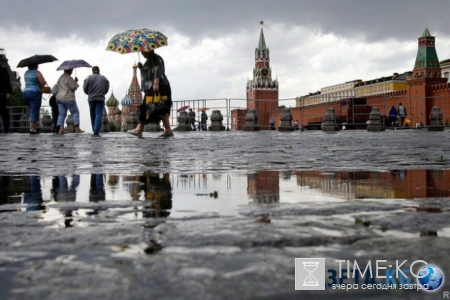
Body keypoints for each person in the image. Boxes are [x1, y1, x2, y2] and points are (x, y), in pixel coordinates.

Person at [127, 50, 173, 137]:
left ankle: (139, 129)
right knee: (161, 108)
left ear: (149, 50)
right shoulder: (149, 60)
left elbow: (157, 71)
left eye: (143, 51)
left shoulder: (156, 58)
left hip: (158, 87)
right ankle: (168, 130)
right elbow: (149, 73)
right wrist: (141, 67)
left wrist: (156, 83)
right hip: (153, 87)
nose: (141, 53)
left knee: (147, 107)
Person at [55, 69, 84, 134]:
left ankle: (61, 129)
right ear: (69, 71)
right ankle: (77, 128)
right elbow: (73, 87)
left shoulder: (60, 77)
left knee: (62, 114)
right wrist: (75, 81)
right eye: (71, 70)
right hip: (68, 97)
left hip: (59, 98)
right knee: (75, 112)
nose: (72, 72)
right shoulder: (69, 78)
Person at [83, 66, 110, 137]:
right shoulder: (104, 78)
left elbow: (85, 88)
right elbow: (107, 88)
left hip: (91, 98)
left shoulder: (88, 78)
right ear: (99, 70)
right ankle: (96, 131)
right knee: (99, 114)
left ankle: (94, 129)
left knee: (92, 115)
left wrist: (88, 93)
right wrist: (103, 93)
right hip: (100, 98)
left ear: (92, 71)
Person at [23, 64, 47, 134]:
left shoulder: (26, 73)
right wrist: (44, 82)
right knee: (34, 110)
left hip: (25, 92)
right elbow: (42, 82)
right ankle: (32, 129)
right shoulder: (37, 72)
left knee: (32, 109)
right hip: (34, 92)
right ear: (35, 66)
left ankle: (34, 127)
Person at [0, 55, 12, 133]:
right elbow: (8, 82)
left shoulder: (3, 70)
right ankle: (6, 128)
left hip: (1, 93)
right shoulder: (3, 69)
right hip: (2, 93)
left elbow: (7, 82)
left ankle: (6, 128)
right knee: (3, 111)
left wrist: (9, 92)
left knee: (3, 111)